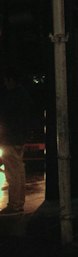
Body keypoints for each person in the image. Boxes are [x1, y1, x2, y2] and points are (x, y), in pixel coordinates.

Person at [0, 68, 35, 217]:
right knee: (19, 171)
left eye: (6, 80)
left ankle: (14, 204)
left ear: (11, 80)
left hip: (10, 138)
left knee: (12, 173)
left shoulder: (13, 97)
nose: (5, 84)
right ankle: (19, 203)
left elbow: (7, 118)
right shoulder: (24, 96)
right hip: (19, 138)